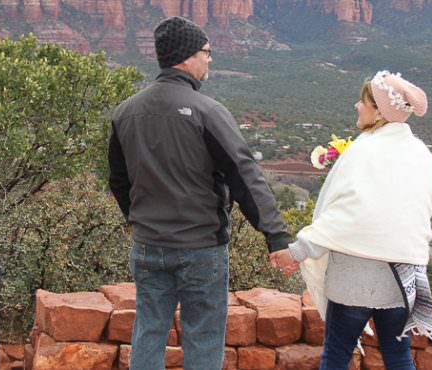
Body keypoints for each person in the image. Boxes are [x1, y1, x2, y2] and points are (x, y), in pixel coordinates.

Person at [107, 16, 297, 370]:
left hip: (148, 245)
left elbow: (119, 183)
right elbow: (245, 176)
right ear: (187, 56)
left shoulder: (125, 112)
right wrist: (277, 237)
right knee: (204, 338)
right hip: (201, 248)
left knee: (148, 330)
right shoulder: (207, 111)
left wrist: (141, 220)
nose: (210, 59)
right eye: (207, 52)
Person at [273, 70, 432, 370]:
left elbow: (345, 217)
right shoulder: (422, 155)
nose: (357, 105)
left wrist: (297, 251)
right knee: (398, 357)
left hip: (355, 279)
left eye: (364, 101)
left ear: (379, 110)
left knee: (337, 356)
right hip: (404, 277)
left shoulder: (363, 152)